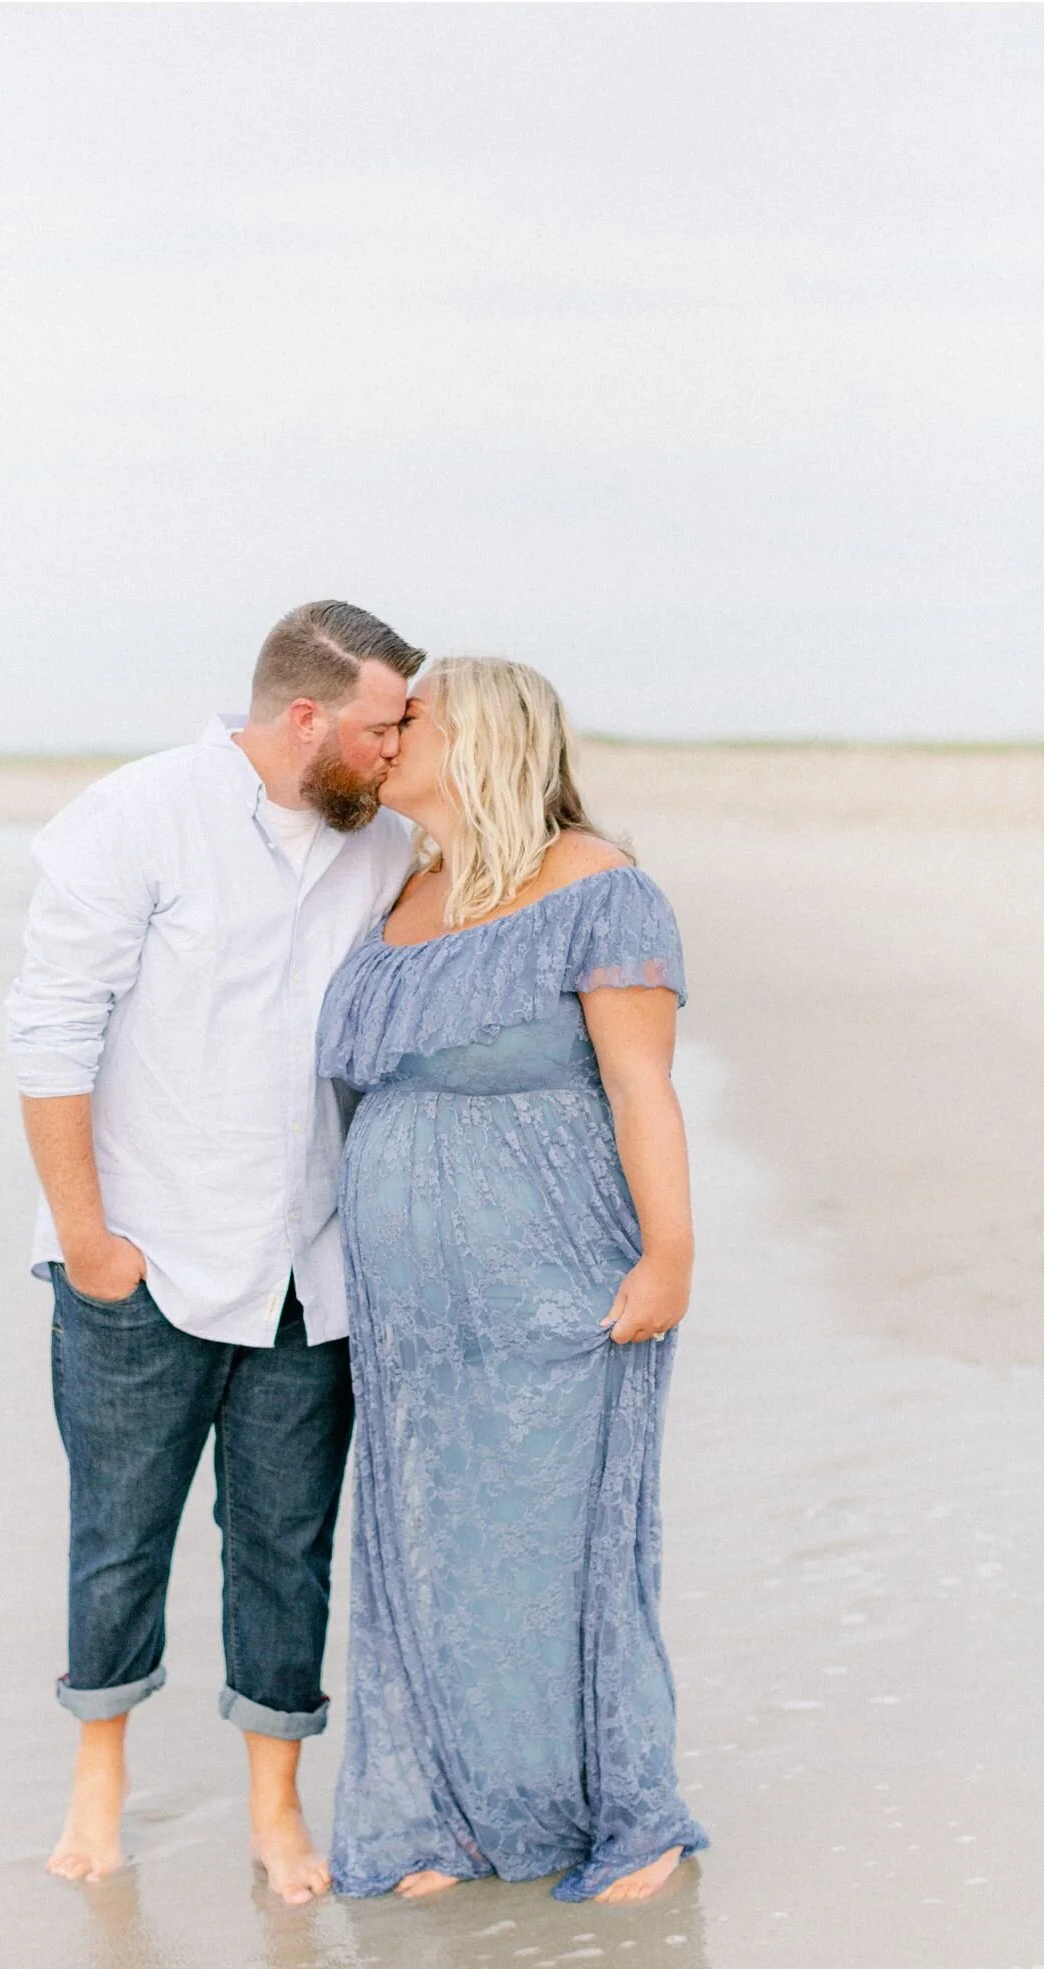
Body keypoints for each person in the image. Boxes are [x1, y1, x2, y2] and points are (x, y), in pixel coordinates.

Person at [5, 600, 424, 1899]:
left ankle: (274, 1806)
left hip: (311, 1264)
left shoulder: (383, 843)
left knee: (285, 1545)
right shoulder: (136, 815)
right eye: (381, 725)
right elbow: (50, 1031)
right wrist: (89, 1244)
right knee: (120, 1534)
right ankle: (99, 1778)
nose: (397, 747)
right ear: (305, 716)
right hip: (146, 1256)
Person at [316, 656, 709, 1904]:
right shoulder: (404, 888)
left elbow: (642, 1088)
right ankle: (457, 1813)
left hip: (558, 1270)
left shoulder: (600, 886)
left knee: (559, 1544)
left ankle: (627, 1817)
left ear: (483, 737)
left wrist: (670, 1254)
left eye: (412, 719)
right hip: (412, 1308)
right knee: (434, 1539)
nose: (389, 738)